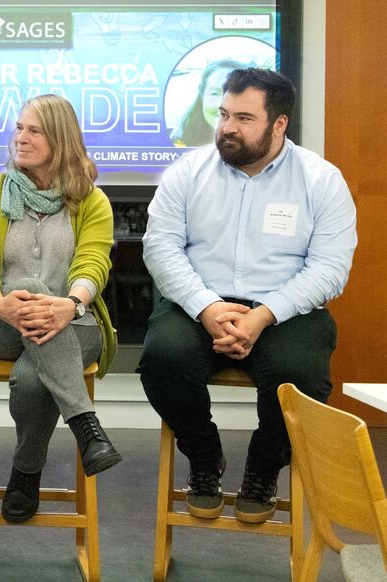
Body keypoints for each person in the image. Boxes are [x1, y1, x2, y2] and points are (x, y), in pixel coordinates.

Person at [139, 68, 357, 524]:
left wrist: (264, 315)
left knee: (299, 375)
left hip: (285, 310)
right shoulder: (187, 173)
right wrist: (206, 307)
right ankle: (203, 457)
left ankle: (263, 465)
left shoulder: (321, 180)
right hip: (199, 302)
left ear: (279, 124)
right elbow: (160, 248)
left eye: (243, 117)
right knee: (163, 357)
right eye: (222, 114)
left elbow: (330, 269)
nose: (226, 128)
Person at [0, 94, 122, 523]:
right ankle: (86, 426)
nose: (21, 138)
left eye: (34, 130)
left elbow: (92, 264)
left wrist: (71, 304)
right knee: (29, 287)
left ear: (61, 139)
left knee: (34, 380)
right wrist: (1, 304)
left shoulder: (91, 200)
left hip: (73, 319)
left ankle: (25, 474)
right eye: (18, 128)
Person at [169, 59, 246, 148]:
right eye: (215, 93)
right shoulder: (179, 145)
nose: (221, 104)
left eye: (234, 94)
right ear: (202, 97)